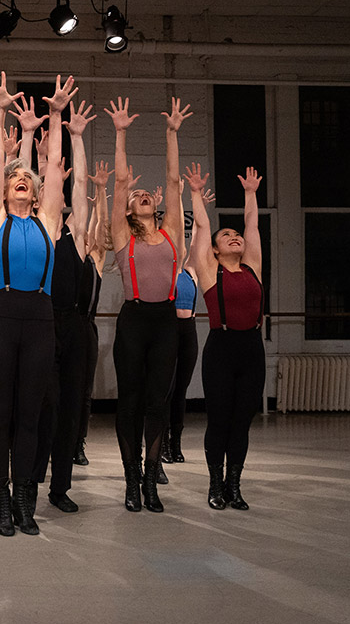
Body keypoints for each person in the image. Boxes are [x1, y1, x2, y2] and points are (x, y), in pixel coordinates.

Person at [0, 72, 75, 536]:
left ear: (36, 193)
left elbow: (54, 166)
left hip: (40, 319)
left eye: (25, 180)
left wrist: (56, 116)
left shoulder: (49, 220)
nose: (18, 181)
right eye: (14, 179)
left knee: (30, 415)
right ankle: (1, 501)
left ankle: (24, 501)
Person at [107, 97, 190, 513]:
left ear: (155, 208)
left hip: (165, 322)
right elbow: (121, 183)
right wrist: (120, 133)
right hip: (134, 320)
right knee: (131, 401)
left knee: (158, 401)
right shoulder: (124, 237)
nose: (141, 193)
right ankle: (129, 481)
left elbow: (173, 182)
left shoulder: (172, 231)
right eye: (136, 195)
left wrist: (172, 133)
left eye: (146, 194)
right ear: (128, 210)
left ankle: (151, 477)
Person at [185, 163, 265, 511]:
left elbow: (253, 225)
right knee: (219, 419)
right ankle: (215, 484)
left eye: (236, 235)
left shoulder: (252, 268)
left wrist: (250, 193)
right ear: (215, 250)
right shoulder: (209, 271)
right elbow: (203, 227)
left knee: (242, 420)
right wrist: (196, 194)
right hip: (222, 349)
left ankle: (235, 485)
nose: (234, 236)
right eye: (225, 236)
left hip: (251, 350)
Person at [33, 99, 98, 515]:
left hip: (73, 326)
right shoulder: (36, 230)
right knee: (44, 406)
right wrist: (42, 160)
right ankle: (31, 478)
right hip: (42, 322)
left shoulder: (74, 233)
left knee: (71, 406)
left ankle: (60, 487)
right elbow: (50, 184)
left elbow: (77, 189)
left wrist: (76, 137)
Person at [162, 184, 215, 468]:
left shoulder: (192, 270)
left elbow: (198, 236)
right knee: (167, 389)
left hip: (189, 331)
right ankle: (163, 442)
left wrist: (197, 206)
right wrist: (179, 198)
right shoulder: (166, 268)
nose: (182, 249)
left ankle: (176, 443)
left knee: (180, 390)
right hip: (168, 331)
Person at [73, 162, 112, 467]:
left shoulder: (95, 259)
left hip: (85, 329)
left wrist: (100, 192)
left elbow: (101, 228)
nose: (86, 236)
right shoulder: (64, 255)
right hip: (61, 325)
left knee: (83, 393)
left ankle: (78, 443)